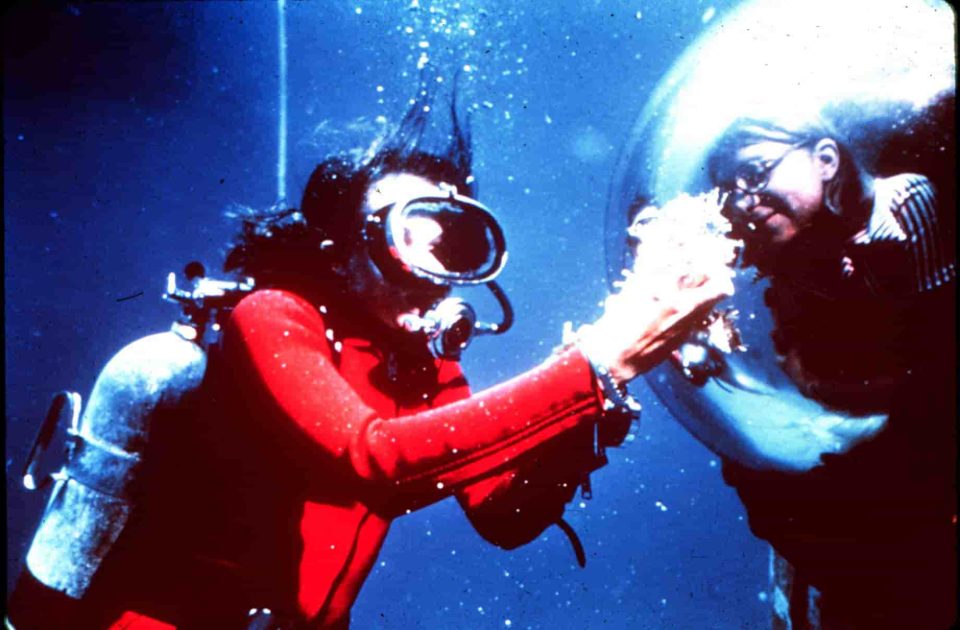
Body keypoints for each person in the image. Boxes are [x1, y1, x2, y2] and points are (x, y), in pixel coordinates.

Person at [7, 94, 731, 629]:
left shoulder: (419, 364)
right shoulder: (274, 317)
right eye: (409, 234)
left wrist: (589, 415)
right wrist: (595, 363)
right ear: (342, 252)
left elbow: (503, 515)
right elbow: (373, 460)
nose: (434, 267)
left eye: (456, 242)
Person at [692, 109, 956, 628]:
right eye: (731, 190)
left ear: (827, 158)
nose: (746, 200)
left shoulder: (904, 204)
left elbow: (936, 368)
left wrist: (823, 383)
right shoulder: (795, 262)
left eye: (757, 171)